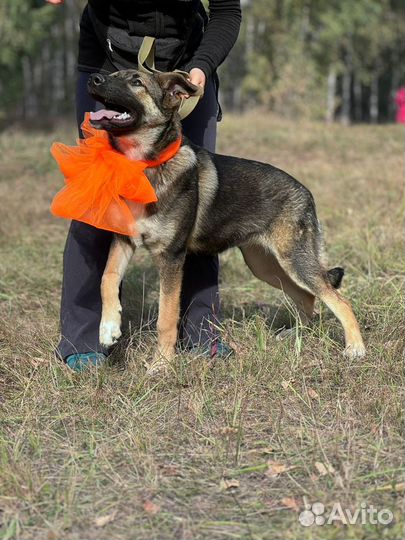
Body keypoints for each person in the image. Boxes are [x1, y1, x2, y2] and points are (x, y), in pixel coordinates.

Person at [46, 0, 242, 371]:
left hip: (184, 59)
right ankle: (83, 338)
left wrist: (200, 68)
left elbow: (227, 10)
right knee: (99, 198)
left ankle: (199, 331)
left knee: (193, 199)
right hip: (109, 58)